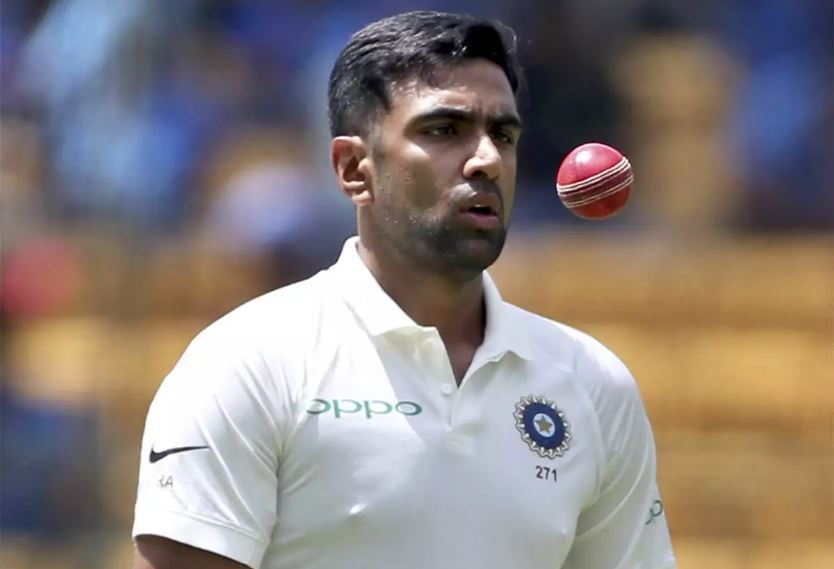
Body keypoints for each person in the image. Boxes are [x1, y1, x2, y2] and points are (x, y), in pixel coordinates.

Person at [132, 11, 676, 569]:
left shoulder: (592, 382)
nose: (488, 159)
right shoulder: (247, 363)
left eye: (503, 135)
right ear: (354, 168)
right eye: (444, 130)